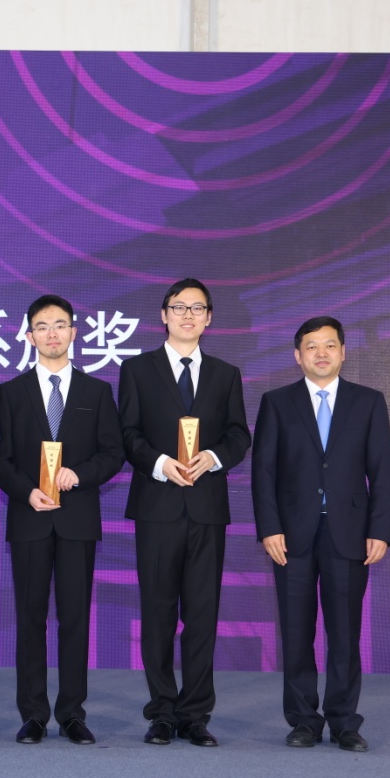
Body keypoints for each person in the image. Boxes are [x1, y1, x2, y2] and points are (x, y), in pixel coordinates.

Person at [251, 316, 390, 752]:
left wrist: (380, 529)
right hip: (291, 536)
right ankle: (303, 721)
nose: (321, 353)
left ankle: (345, 721)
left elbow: (383, 471)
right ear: (298, 356)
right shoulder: (277, 402)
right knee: (296, 633)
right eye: (312, 346)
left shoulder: (368, 402)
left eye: (330, 345)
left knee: (345, 633)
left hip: (350, 534)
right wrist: (269, 528)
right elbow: (263, 472)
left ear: (343, 352)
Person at [117, 277, 250, 747]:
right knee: (157, 613)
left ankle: (195, 714)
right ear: (164, 315)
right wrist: (159, 464)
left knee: (202, 614)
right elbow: (127, 433)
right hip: (157, 507)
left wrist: (212, 457)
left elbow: (239, 435)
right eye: (179, 307)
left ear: (209, 318)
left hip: (207, 509)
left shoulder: (225, 374)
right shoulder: (137, 369)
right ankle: (161, 712)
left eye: (197, 308)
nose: (187, 315)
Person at [0, 294, 124, 745]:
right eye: (43, 327)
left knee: (75, 618)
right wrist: (27, 491)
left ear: (73, 332)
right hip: (30, 518)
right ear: (29, 336)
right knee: (30, 619)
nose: (52, 333)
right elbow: (0, 460)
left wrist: (79, 475)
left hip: (77, 520)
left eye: (60, 325)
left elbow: (113, 453)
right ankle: (32, 714)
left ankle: (71, 713)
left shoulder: (96, 391)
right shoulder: (11, 392)